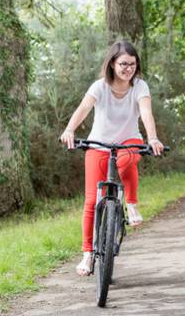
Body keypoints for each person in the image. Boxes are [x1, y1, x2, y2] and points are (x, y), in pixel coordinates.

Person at [60, 40, 165, 276]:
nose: (128, 68)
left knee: (127, 161)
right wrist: (69, 130)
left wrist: (153, 138)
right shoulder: (100, 86)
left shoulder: (140, 87)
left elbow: (146, 112)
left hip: (130, 141)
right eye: (123, 64)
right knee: (90, 201)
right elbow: (83, 108)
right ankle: (87, 253)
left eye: (132, 64)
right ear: (112, 64)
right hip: (99, 144)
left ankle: (131, 203)